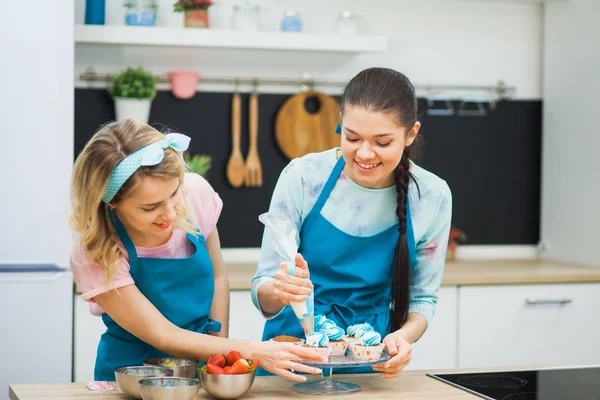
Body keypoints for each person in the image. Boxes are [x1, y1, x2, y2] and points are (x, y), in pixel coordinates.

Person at [69, 119, 325, 382]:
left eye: (174, 192)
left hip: (198, 367)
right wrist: (249, 351)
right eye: (150, 207)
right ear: (111, 203)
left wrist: (218, 359)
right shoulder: (97, 250)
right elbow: (164, 335)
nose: (169, 213)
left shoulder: (195, 194)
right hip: (132, 376)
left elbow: (218, 277)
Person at [252, 67, 453, 378]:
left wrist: (402, 338)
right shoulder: (303, 177)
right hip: (291, 357)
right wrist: (280, 289)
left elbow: (423, 298)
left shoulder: (432, 196)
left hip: (369, 360)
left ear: (411, 133)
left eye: (382, 142)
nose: (364, 153)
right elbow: (263, 289)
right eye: (352, 137)